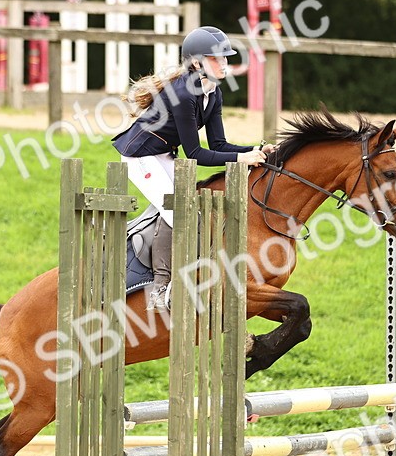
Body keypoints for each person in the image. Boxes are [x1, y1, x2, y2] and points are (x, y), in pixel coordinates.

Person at [113, 25, 276, 311]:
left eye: (225, 58)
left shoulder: (213, 92)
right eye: (217, 58)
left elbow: (220, 144)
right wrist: (241, 160)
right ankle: (160, 289)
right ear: (198, 63)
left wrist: (253, 151)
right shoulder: (184, 93)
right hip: (140, 156)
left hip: (163, 153)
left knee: (186, 208)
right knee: (177, 210)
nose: (224, 63)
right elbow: (196, 154)